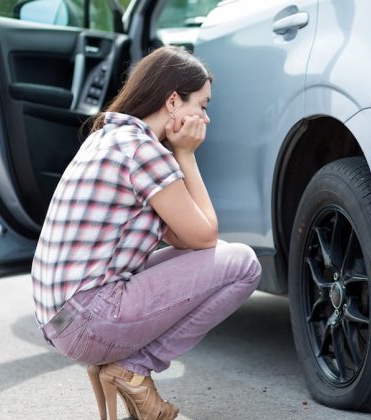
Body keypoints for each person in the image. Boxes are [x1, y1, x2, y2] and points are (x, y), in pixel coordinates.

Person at [31, 46, 262, 420]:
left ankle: (120, 367)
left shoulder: (107, 136)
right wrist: (186, 155)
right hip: (88, 319)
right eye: (201, 105)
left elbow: (188, 241)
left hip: (60, 319)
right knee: (244, 265)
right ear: (173, 101)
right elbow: (205, 236)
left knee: (209, 257)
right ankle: (134, 367)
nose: (205, 117)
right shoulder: (144, 152)